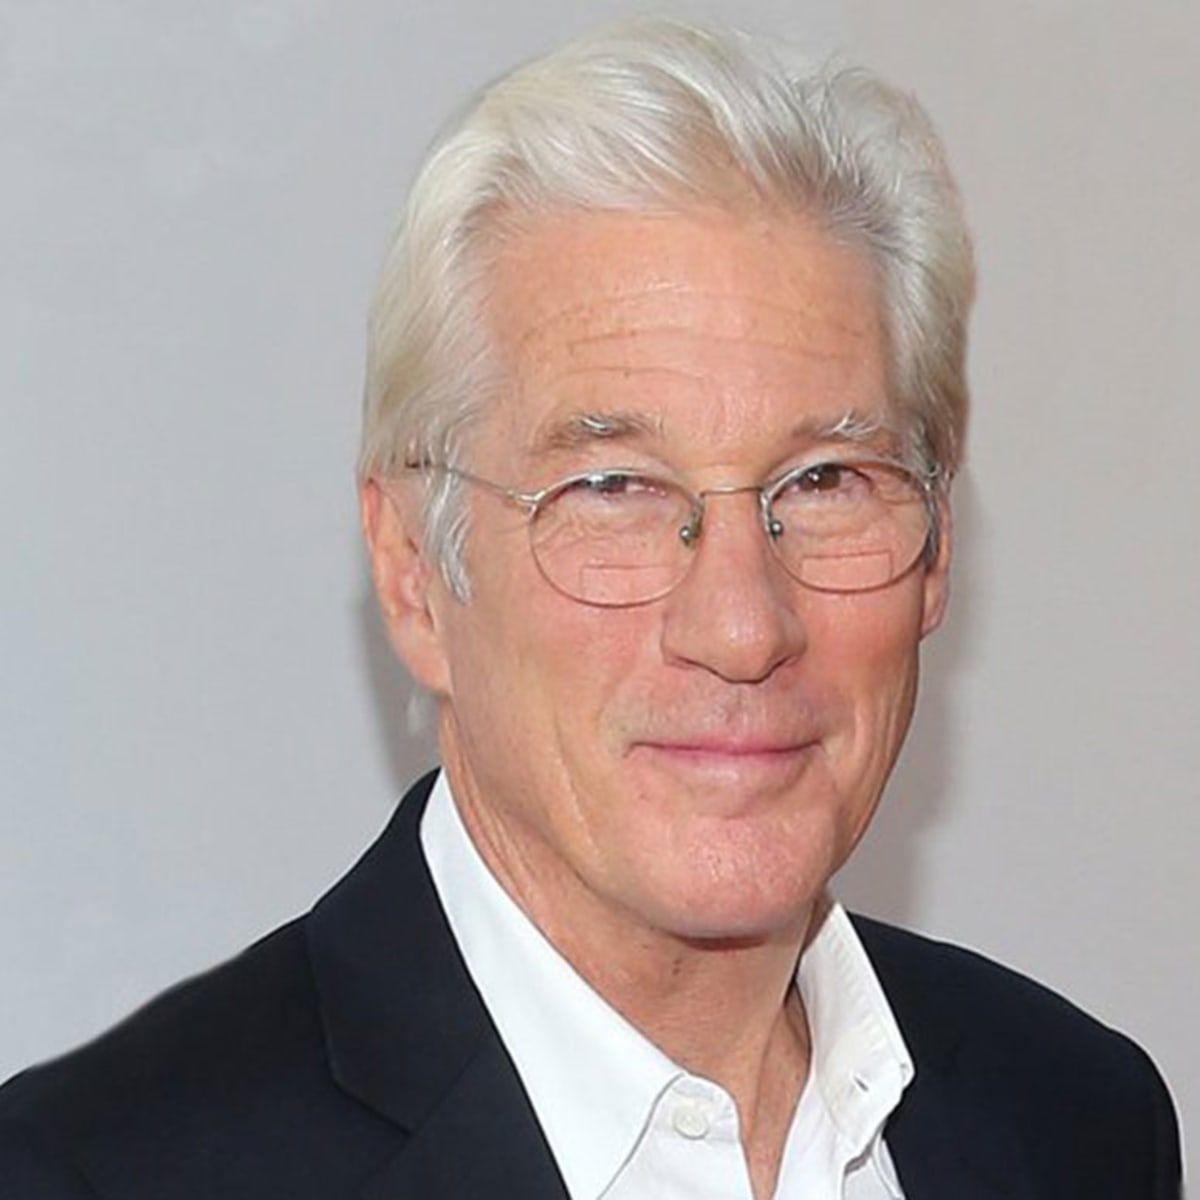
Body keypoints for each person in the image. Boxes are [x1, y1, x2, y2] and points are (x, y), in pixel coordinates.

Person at [0, 18, 1182, 1200]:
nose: (742, 628)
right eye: (613, 490)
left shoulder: (1078, 1121)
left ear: (936, 555)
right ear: (414, 572)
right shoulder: (92, 1175)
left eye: (826, 480)